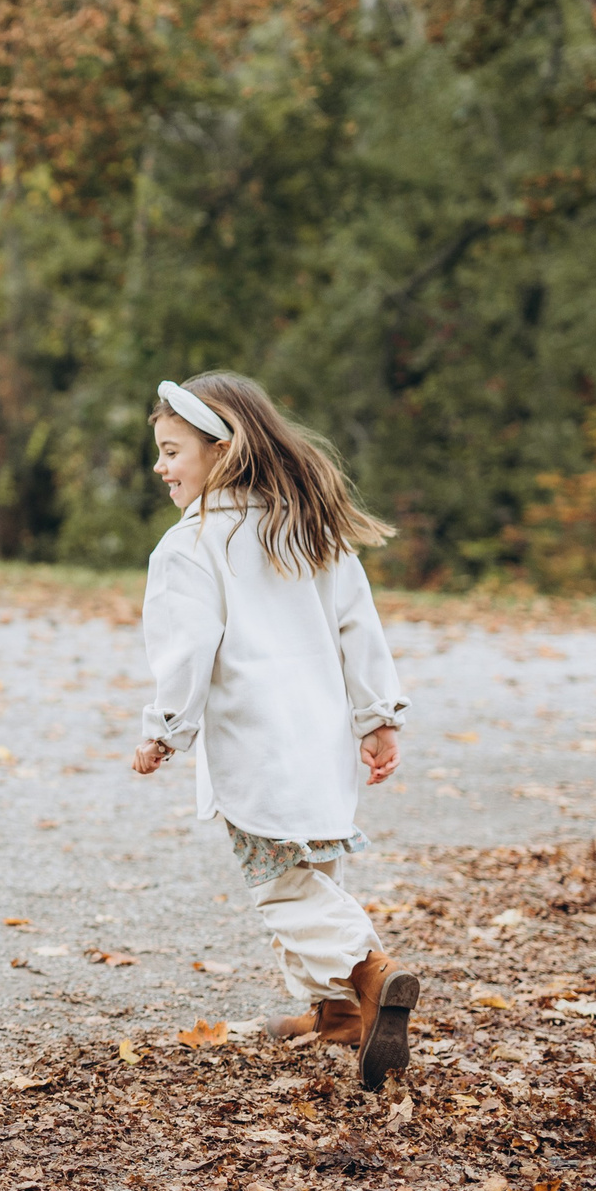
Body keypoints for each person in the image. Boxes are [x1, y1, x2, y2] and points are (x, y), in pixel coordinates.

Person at [130, 373, 418, 1090]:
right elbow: (359, 623)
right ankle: (339, 1014)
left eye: (172, 450)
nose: (161, 466)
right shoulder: (304, 524)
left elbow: (186, 647)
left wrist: (165, 727)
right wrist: (377, 715)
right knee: (315, 867)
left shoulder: (191, 544)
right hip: (322, 743)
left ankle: (371, 973)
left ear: (221, 451)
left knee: (284, 886)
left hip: (257, 749)